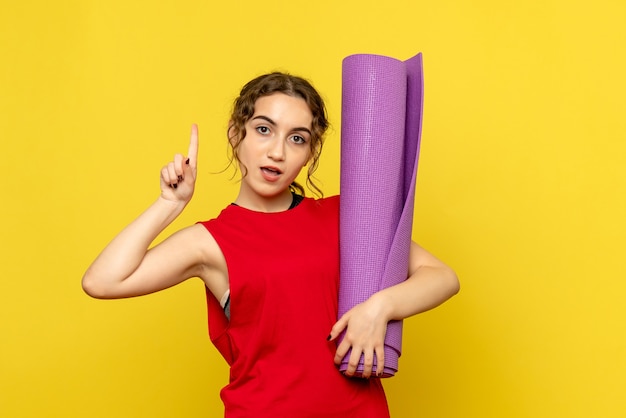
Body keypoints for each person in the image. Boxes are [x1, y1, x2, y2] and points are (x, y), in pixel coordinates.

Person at [82, 72, 460, 417]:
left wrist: (380, 308)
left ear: (309, 153)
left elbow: (441, 276)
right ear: (236, 134)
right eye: (264, 130)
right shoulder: (210, 242)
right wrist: (170, 205)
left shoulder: (346, 216)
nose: (277, 152)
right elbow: (102, 282)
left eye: (297, 138)